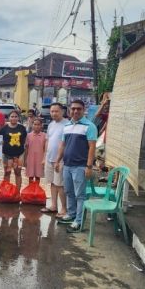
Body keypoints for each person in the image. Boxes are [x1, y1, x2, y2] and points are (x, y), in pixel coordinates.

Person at [54, 99, 98, 233]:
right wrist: (57, 160)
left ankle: (78, 222)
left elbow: (92, 147)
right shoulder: (67, 126)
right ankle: (71, 215)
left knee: (80, 195)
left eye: (79, 109)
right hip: (67, 165)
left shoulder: (89, 126)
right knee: (69, 192)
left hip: (80, 166)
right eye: (73, 109)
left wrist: (89, 167)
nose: (75, 111)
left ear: (83, 110)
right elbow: (63, 145)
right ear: (69, 110)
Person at [41, 103, 68, 217]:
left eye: (56, 111)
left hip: (60, 159)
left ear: (62, 112)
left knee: (60, 184)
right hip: (49, 158)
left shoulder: (67, 124)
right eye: (52, 111)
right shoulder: (51, 124)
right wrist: (44, 157)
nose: (53, 113)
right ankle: (53, 206)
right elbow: (48, 141)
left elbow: (66, 143)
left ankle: (64, 209)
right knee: (52, 183)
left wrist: (59, 159)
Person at [0, 110, 27, 193]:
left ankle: (17, 192)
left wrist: (25, 155)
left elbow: (25, 141)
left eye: (15, 116)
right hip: (6, 155)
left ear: (18, 118)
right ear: (8, 118)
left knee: (18, 173)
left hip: (19, 155)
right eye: (12, 116)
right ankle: (6, 191)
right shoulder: (4, 128)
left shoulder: (22, 128)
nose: (14, 118)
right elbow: (0, 141)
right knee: (7, 173)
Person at [25, 118, 46, 183]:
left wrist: (44, 159)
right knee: (30, 176)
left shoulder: (44, 135)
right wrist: (25, 159)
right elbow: (26, 148)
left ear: (41, 125)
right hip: (30, 158)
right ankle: (30, 190)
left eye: (38, 124)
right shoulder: (28, 135)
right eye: (35, 124)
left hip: (40, 159)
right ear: (32, 125)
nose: (36, 126)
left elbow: (45, 149)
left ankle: (36, 191)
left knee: (38, 176)